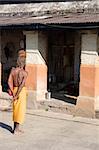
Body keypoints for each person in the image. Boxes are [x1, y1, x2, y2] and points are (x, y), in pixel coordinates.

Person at [8, 56, 28, 134]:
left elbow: (9, 81)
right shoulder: (24, 73)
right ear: (24, 63)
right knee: (20, 110)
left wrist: (13, 92)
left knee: (15, 109)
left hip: (15, 89)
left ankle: (15, 128)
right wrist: (17, 95)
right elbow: (22, 85)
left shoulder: (13, 71)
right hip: (21, 92)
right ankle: (16, 130)